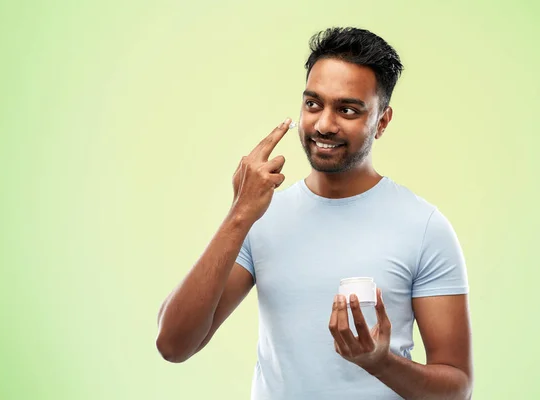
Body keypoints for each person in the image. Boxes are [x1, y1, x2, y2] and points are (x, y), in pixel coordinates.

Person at [156, 27, 473, 400]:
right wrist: (240, 213)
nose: (324, 124)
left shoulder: (424, 228)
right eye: (313, 104)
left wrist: (379, 362)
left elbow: (457, 389)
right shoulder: (260, 216)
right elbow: (174, 345)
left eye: (347, 109)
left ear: (382, 122)